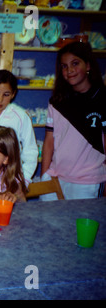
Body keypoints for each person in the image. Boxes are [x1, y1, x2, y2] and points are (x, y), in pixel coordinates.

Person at [41, 42, 106, 200]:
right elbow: (49, 141)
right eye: (64, 66)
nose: (69, 70)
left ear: (88, 65)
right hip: (55, 177)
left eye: (75, 64)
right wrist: (44, 176)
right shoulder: (57, 101)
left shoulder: (102, 99)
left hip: (87, 182)